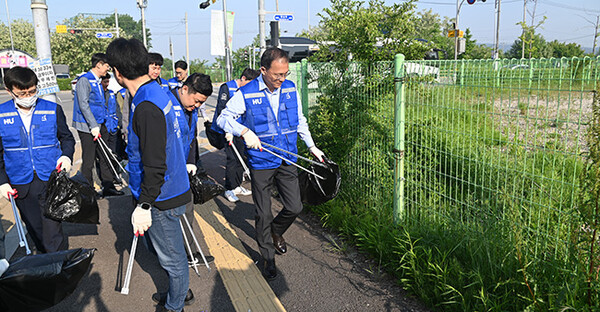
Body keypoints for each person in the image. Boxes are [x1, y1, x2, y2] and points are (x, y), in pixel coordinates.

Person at [217, 48, 325, 280]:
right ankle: (268, 257)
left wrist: (312, 146)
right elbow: (223, 118)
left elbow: (300, 119)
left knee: (295, 206)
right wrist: (244, 131)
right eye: (277, 75)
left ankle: (276, 232)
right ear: (263, 70)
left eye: (285, 73)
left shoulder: (290, 88)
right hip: (261, 161)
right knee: (263, 212)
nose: (281, 79)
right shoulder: (245, 93)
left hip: (288, 156)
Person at [107, 38, 192, 312]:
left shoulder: (146, 106)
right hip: (169, 186)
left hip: (162, 195)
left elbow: (155, 163)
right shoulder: (155, 92)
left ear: (118, 72)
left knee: (172, 259)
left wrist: (144, 203)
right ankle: (176, 295)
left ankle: (175, 306)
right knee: (167, 252)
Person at [0, 66, 75, 254]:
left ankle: (59, 270)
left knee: (53, 231)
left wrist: (66, 156)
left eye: (32, 91)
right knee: (35, 230)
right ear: (10, 91)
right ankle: (46, 267)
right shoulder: (1, 114)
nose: (28, 96)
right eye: (22, 93)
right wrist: (2, 182)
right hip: (20, 183)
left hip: (50, 178)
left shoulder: (52, 109)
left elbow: (67, 138)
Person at [163, 73, 216, 270]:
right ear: (185, 89)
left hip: (184, 170)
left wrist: (192, 161)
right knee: (169, 218)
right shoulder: (165, 105)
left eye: (202, 103)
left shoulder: (191, 108)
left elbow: (192, 137)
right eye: (196, 101)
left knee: (188, 209)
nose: (197, 106)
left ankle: (190, 253)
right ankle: (172, 260)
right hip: (166, 172)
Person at [72, 53, 123, 197]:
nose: (108, 69)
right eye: (107, 66)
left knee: (105, 156)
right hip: (87, 127)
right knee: (89, 160)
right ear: (99, 64)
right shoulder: (85, 80)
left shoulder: (97, 81)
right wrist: (93, 125)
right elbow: (83, 104)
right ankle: (88, 191)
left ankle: (108, 186)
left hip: (101, 124)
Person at [211, 68, 260, 202]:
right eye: (249, 83)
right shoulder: (227, 87)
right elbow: (222, 110)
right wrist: (228, 131)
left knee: (241, 158)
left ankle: (237, 185)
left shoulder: (247, 92)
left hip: (241, 131)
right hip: (228, 132)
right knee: (232, 159)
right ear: (243, 79)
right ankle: (229, 189)